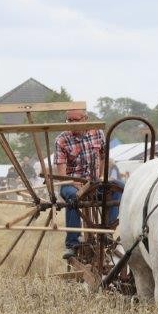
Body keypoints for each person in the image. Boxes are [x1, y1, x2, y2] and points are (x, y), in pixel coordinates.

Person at [53, 108, 106, 258]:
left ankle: (107, 233)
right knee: (72, 197)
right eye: (70, 121)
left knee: (118, 190)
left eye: (76, 120)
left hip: (93, 182)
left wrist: (101, 176)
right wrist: (73, 183)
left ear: (85, 119)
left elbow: (103, 156)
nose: (72, 124)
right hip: (72, 183)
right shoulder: (61, 140)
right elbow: (62, 174)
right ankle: (72, 243)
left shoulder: (98, 133)